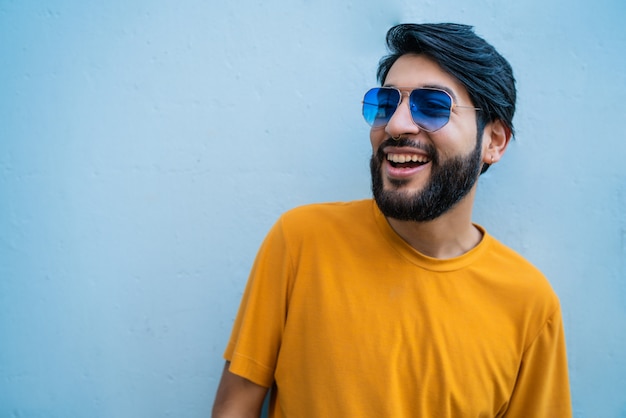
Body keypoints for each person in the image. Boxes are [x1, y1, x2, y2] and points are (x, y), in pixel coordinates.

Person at [212, 23, 572, 418]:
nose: (396, 125)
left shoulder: (530, 305)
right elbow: (236, 407)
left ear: (494, 141)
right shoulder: (300, 241)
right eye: (385, 104)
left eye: (433, 106)